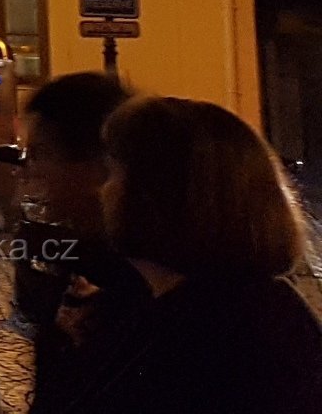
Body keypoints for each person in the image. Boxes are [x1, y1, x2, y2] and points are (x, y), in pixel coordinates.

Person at [58, 96, 322, 411]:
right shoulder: (184, 309)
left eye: (113, 173)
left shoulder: (222, 336)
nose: (101, 191)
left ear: (158, 195)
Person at [8, 72, 150, 414]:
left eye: (41, 153)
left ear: (96, 163)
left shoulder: (142, 280)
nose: (29, 171)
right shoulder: (80, 261)